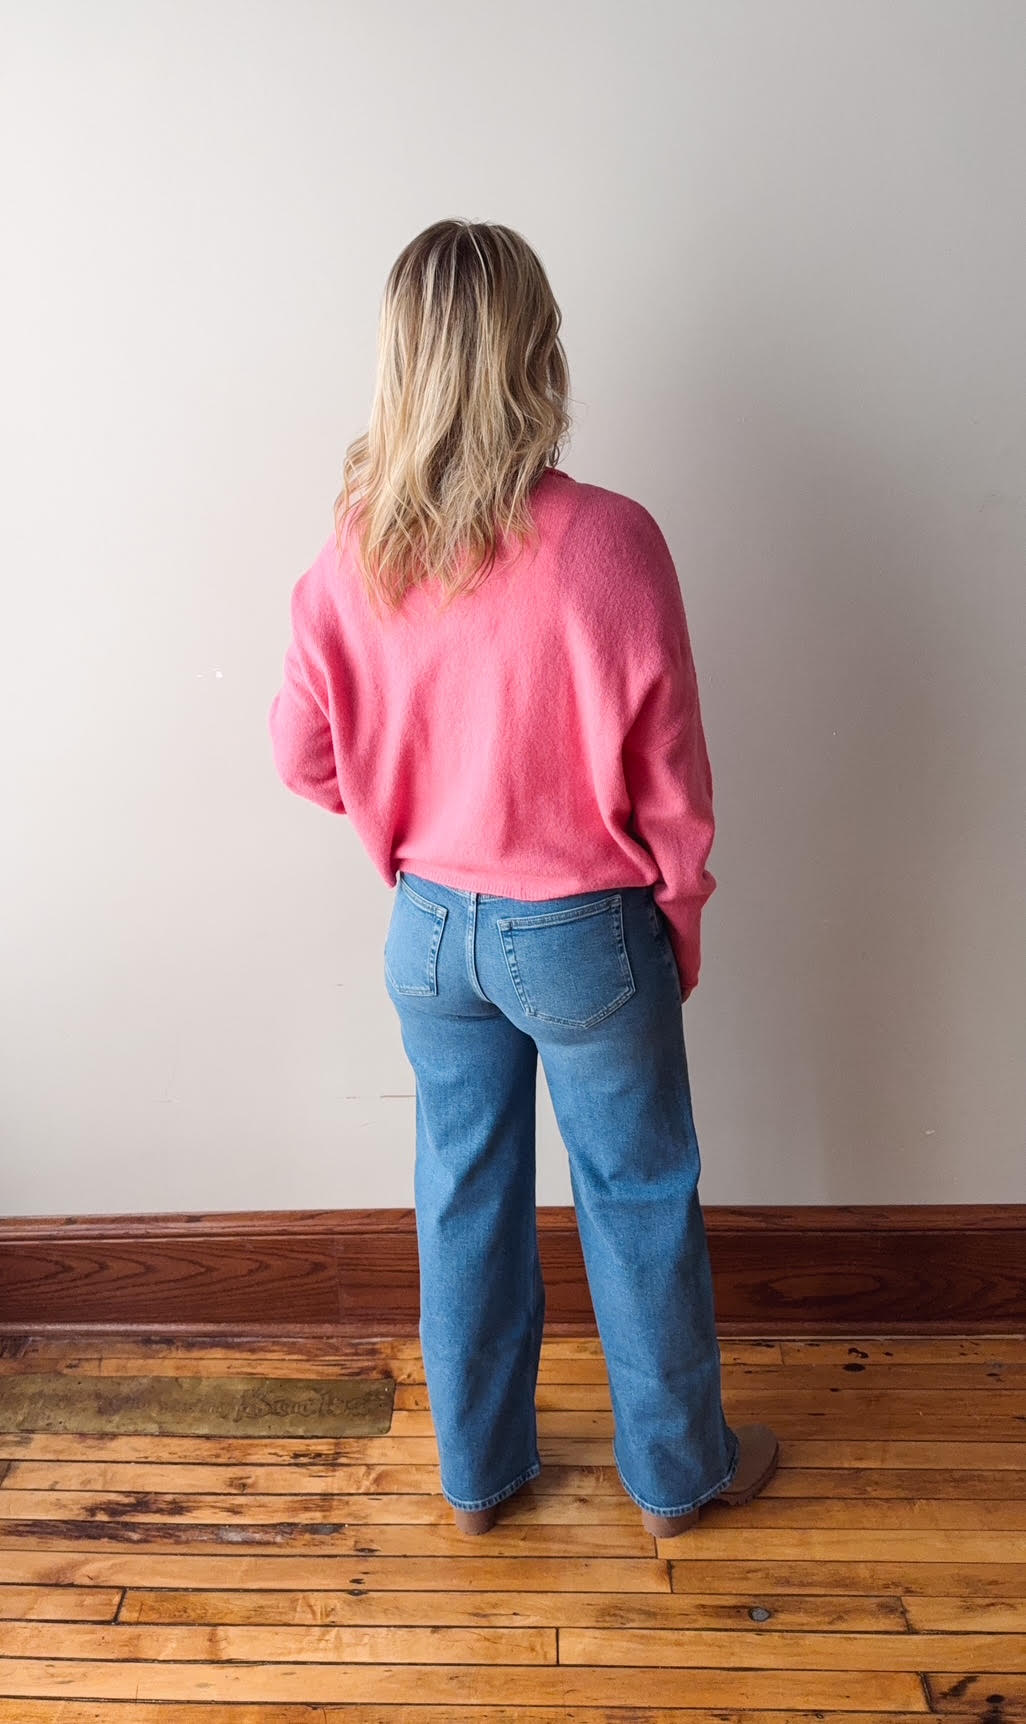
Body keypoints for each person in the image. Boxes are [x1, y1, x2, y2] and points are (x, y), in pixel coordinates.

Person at [268, 218, 778, 1537]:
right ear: (534, 351)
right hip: (581, 929)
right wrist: (678, 916)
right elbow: (668, 775)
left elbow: (302, 752)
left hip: (430, 930)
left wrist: (410, 818)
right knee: (636, 1194)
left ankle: (480, 1473)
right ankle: (677, 1475)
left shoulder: (355, 551)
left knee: (463, 1192)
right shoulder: (605, 542)